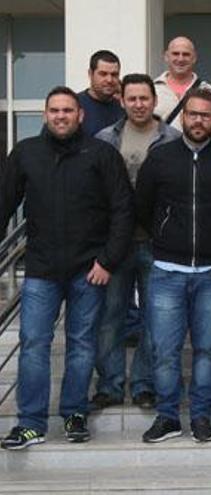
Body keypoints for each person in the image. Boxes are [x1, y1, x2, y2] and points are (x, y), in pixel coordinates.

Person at [0, 86, 134, 450]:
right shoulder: (25, 153)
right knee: (33, 345)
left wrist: (108, 260)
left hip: (88, 270)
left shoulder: (102, 154)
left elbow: (123, 210)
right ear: (45, 115)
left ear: (80, 115)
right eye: (54, 110)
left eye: (67, 110)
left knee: (81, 345)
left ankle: (75, 413)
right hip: (41, 270)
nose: (61, 116)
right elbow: (4, 204)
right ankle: (30, 423)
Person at [136, 88, 211, 443]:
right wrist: (165, 233)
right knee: (165, 350)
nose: (198, 120)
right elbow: (143, 206)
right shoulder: (160, 158)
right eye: (193, 114)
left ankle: (201, 415)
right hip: (167, 270)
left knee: (208, 348)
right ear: (183, 117)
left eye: (205, 115)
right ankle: (168, 416)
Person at [91, 74, 182, 411]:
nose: (139, 104)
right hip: (115, 245)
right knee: (111, 316)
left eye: (145, 98)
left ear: (154, 101)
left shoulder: (171, 138)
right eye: (132, 99)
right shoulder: (105, 139)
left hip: (157, 244)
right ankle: (111, 384)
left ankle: (144, 384)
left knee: (154, 320)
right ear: (122, 101)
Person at [154, 36, 211, 130]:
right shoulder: (151, 90)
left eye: (186, 54)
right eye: (175, 54)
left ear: (194, 58)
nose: (180, 59)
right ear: (166, 56)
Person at [78, 50, 124, 137]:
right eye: (103, 74)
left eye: (114, 75)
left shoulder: (125, 109)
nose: (109, 80)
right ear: (90, 74)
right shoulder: (74, 106)